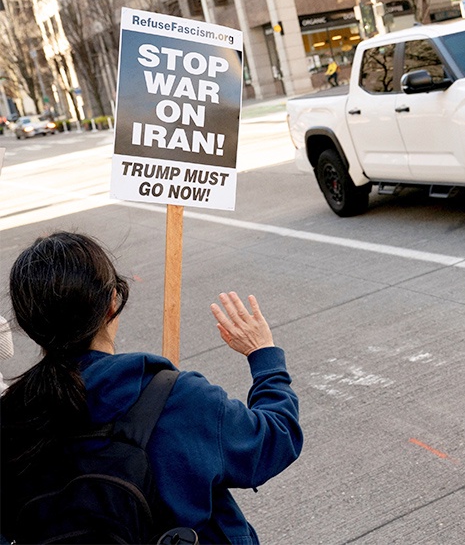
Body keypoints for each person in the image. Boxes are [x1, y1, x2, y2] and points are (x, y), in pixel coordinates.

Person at [0, 232, 303, 544]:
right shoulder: (176, 397)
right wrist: (263, 354)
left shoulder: (11, 416)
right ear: (112, 302)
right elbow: (275, 439)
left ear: (27, 324)